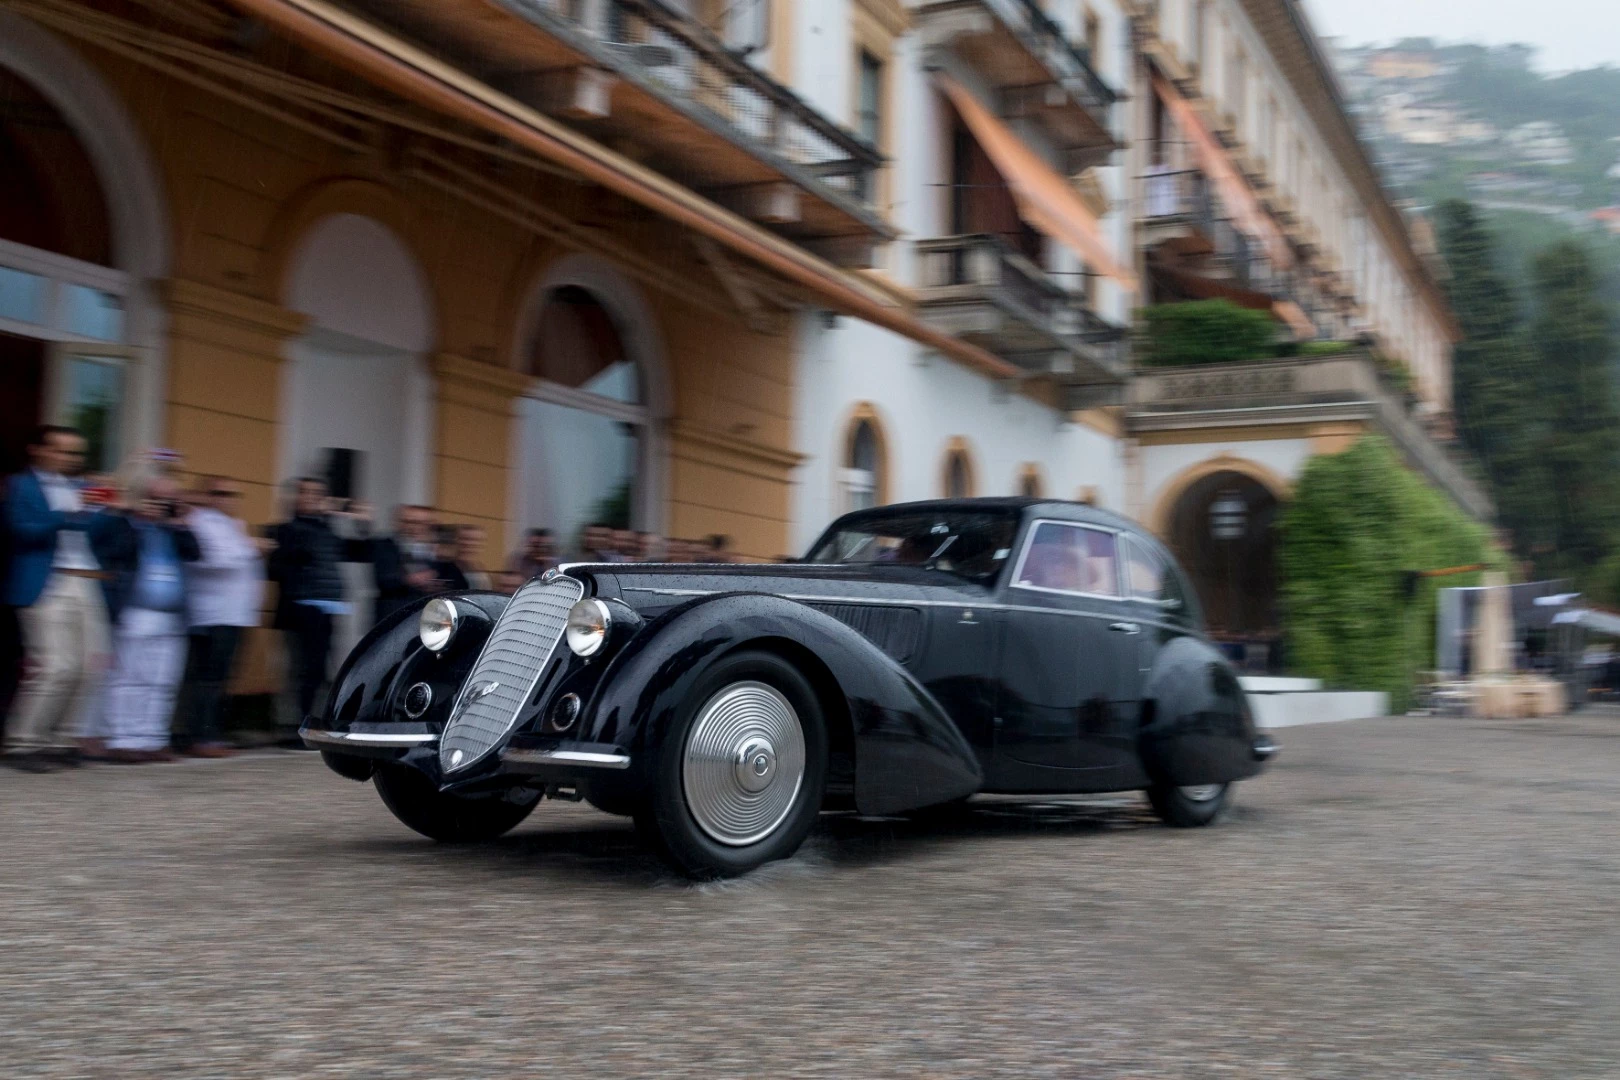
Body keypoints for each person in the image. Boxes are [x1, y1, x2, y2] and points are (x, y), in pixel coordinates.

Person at [3, 426, 118, 772]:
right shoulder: (21, 485)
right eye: (63, 451)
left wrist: (106, 508)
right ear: (38, 450)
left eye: (75, 453)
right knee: (55, 667)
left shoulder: (80, 487)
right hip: (46, 582)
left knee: (89, 668)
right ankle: (23, 743)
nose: (70, 458)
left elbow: (97, 533)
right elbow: (23, 530)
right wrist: (70, 512)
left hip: (85, 581)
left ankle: (62, 740)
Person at [99, 471, 200, 763]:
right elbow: (110, 551)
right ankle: (122, 740)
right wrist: (136, 517)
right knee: (129, 678)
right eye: (157, 498)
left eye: (169, 499)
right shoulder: (128, 526)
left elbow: (195, 553)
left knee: (163, 682)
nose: (162, 504)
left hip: (171, 616)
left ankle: (152, 739)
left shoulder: (173, 530)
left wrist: (179, 521)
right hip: (136, 612)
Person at [267, 477, 372, 732]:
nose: (314, 498)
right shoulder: (286, 529)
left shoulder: (327, 531)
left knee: (323, 669)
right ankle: (296, 726)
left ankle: (317, 722)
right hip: (301, 607)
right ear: (296, 498)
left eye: (318, 494)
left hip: (329, 607)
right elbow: (275, 568)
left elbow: (362, 553)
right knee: (302, 670)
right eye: (308, 493)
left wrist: (361, 525)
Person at [176, 477, 264, 757]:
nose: (228, 499)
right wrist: (250, 549)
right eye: (221, 493)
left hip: (235, 614)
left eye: (234, 495)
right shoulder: (200, 521)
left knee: (222, 678)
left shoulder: (233, 526)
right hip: (212, 614)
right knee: (208, 679)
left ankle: (212, 733)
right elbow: (213, 561)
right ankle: (200, 736)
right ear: (207, 495)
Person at [371, 504, 438, 624]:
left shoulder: (435, 551)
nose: (415, 528)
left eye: (422, 523)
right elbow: (383, 579)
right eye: (410, 522)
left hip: (423, 619)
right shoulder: (385, 546)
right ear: (399, 523)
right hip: (392, 617)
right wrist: (411, 579)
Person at [454, 524, 493, 590]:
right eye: (465, 539)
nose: (469, 543)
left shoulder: (484, 576)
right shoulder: (446, 571)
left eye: (475, 540)